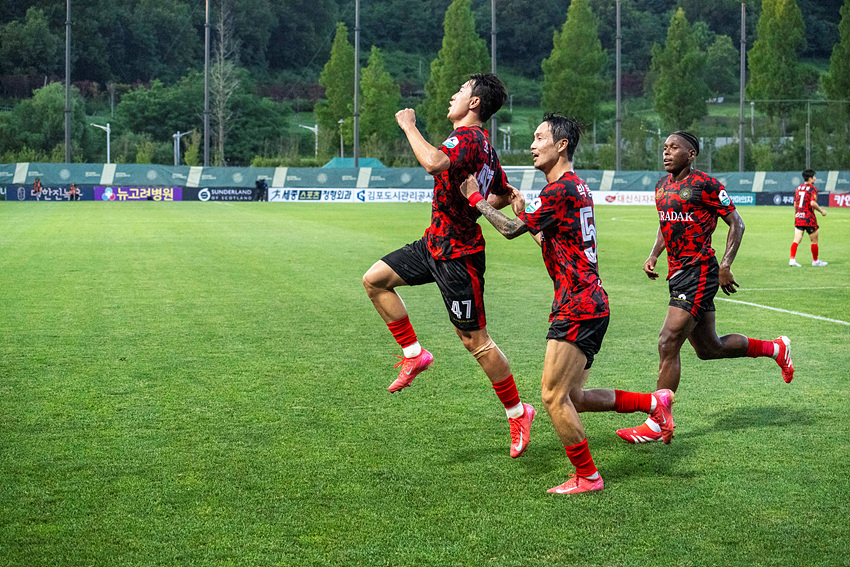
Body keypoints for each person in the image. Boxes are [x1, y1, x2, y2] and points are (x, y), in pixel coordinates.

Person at [459, 114, 674, 494]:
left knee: (552, 396)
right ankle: (653, 403)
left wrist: (475, 198)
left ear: (561, 145)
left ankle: (588, 476)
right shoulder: (574, 187)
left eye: (539, 138)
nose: (532, 145)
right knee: (574, 397)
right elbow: (549, 238)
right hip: (588, 301)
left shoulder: (561, 189)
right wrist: (525, 213)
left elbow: (509, 230)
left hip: (578, 305)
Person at [362, 73, 535, 458]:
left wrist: (409, 125)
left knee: (476, 341)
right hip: (434, 243)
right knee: (375, 280)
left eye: (460, 91)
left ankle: (518, 412)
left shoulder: (468, 138)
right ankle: (414, 354)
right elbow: (501, 194)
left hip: (459, 256)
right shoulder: (484, 147)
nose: (452, 96)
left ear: (475, 103)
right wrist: (486, 200)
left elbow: (433, 162)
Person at [616, 131, 795, 445]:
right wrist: (654, 254)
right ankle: (776, 348)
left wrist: (725, 265)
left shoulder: (706, 185)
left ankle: (657, 420)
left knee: (668, 341)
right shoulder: (661, 186)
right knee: (709, 348)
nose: (666, 152)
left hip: (700, 271)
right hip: (677, 274)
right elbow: (666, 223)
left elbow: (737, 223)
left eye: (674, 147)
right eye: (665, 148)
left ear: (691, 154)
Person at [789, 169, 827, 267]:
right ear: (810, 178)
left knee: (796, 239)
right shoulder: (812, 189)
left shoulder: (798, 188)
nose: (815, 178)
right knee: (814, 240)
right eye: (814, 176)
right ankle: (815, 261)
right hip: (809, 218)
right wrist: (821, 211)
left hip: (799, 216)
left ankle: (792, 259)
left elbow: (795, 203)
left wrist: (798, 213)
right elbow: (812, 203)